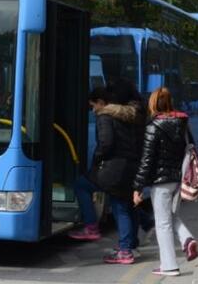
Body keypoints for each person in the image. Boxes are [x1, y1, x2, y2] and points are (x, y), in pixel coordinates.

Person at [69, 86, 141, 264]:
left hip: (113, 169)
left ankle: (94, 228)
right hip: (131, 167)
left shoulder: (104, 117)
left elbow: (106, 143)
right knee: (125, 205)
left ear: (101, 103)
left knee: (82, 185)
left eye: (93, 106)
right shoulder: (128, 115)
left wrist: (97, 159)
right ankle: (129, 245)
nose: (93, 110)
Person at [132, 87, 198, 277]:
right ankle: (187, 240)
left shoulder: (153, 127)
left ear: (153, 104)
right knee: (171, 217)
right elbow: (190, 149)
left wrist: (137, 187)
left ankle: (169, 265)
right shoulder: (183, 123)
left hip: (161, 183)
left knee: (163, 223)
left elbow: (146, 160)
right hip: (179, 180)